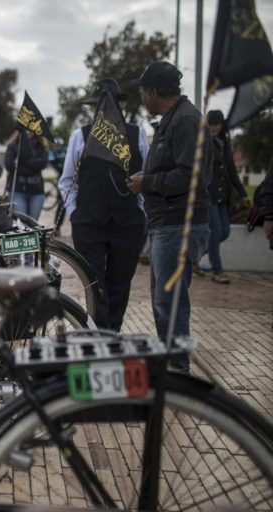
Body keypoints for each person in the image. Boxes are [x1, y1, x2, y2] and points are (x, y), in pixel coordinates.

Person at [127, 61, 211, 372]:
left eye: (142, 90)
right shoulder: (174, 120)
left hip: (179, 226)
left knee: (171, 304)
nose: (140, 96)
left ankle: (177, 372)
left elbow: (191, 177)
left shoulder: (185, 121)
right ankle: (171, 367)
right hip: (169, 224)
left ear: (153, 92)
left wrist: (146, 182)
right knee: (164, 303)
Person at [58, 78, 149, 332]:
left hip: (128, 221)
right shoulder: (81, 135)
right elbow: (67, 181)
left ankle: (113, 332)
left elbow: (146, 176)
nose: (104, 108)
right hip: (89, 221)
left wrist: (139, 209)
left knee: (120, 283)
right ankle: (100, 335)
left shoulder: (137, 134)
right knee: (95, 282)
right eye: (99, 104)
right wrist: (75, 213)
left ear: (120, 104)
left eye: (111, 103)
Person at [198, 109, 249, 283]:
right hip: (209, 195)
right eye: (210, 124)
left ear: (222, 125)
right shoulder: (203, 143)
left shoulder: (225, 143)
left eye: (217, 124)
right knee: (216, 231)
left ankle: (193, 259)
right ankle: (217, 270)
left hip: (224, 195)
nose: (213, 127)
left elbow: (232, 171)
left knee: (225, 232)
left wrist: (242, 194)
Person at [4, 126, 49, 221]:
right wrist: (34, 163)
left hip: (37, 192)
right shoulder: (13, 146)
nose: (28, 132)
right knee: (22, 222)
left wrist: (20, 161)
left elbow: (42, 164)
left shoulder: (41, 146)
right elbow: (9, 166)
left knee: (33, 223)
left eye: (31, 129)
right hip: (18, 191)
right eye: (26, 129)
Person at [49, 137, 67, 232]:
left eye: (59, 145)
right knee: (61, 203)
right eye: (56, 146)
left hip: (72, 178)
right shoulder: (53, 152)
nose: (57, 147)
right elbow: (51, 161)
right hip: (61, 178)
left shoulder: (66, 150)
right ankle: (57, 227)